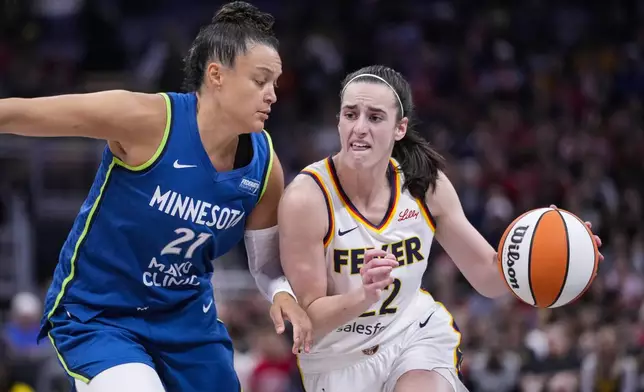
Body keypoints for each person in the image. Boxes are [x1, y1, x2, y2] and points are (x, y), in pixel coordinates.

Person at [0, 2, 312, 391]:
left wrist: (281, 293)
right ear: (216, 75)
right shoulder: (148, 121)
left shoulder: (265, 167)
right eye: (260, 81)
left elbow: (265, 264)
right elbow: (26, 114)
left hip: (186, 323)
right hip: (101, 313)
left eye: (275, 84)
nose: (272, 95)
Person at [278, 65, 603, 392]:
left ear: (399, 128)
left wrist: (558, 257)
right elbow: (309, 319)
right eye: (350, 115)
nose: (359, 128)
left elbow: (487, 277)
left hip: (410, 335)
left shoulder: (424, 185)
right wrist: (364, 296)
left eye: (375, 117)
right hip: (338, 360)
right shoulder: (307, 199)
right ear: (338, 121)